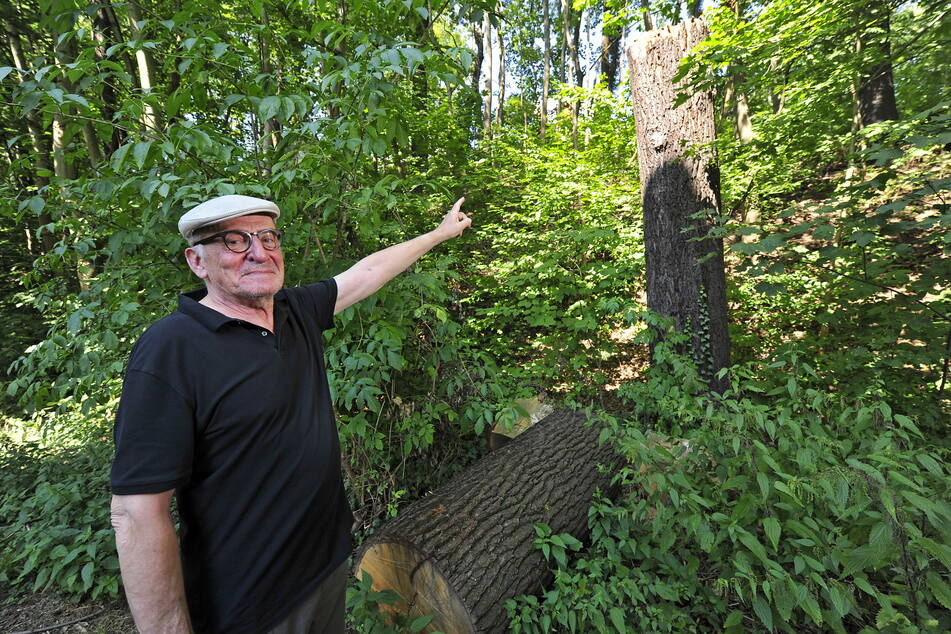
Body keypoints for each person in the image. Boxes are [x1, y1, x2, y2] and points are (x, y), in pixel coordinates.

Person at [110, 193, 471, 634]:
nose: (258, 252)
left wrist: (440, 233)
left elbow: (368, 271)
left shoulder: (294, 312)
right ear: (197, 261)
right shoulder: (172, 349)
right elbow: (136, 513)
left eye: (267, 237)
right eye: (235, 241)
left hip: (326, 565)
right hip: (251, 606)